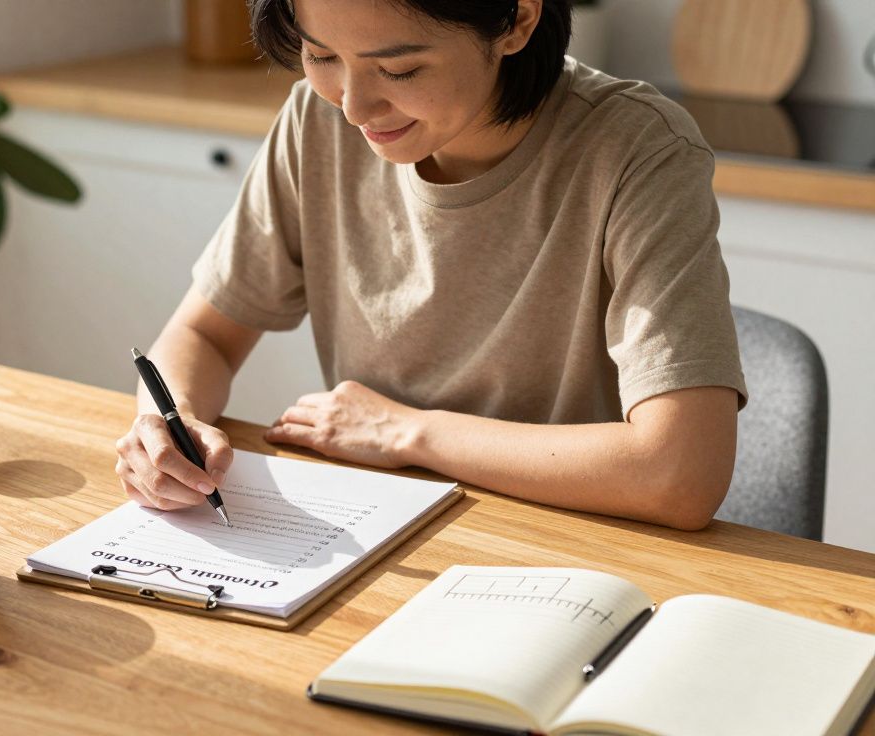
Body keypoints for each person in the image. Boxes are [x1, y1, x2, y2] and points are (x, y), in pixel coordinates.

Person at [114, 0, 747, 531]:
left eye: (400, 68)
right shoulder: (319, 116)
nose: (355, 106)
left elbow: (680, 474)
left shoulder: (638, 149)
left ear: (516, 21)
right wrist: (166, 425)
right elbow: (204, 335)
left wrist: (408, 433)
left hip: (564, 542)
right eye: (322, 55)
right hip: (377, 526)